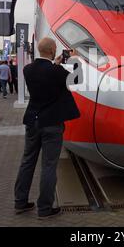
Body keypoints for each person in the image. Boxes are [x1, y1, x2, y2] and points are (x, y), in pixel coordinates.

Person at [15, 38, 80, 219]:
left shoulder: (28, 70)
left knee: (27, 161)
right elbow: (76, 80)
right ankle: (44, 208)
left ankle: (20, 202)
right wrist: (75, 60)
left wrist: (55, 63)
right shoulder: (56, 71)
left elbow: (45, 74)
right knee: (49, 166)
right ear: (52, 50)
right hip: (52, 123)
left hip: (32, 121)